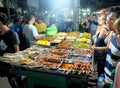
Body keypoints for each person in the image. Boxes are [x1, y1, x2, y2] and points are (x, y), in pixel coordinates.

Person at [0, 13, 22, 88]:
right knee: (10, 82)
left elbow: (17, 52)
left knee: (16, 83)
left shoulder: (13, 34)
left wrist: (15, 67)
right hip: (3, 64)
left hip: (12, 64)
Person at [104, 6, 120, 86]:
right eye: (108, 19)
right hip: (106, 78)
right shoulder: (113, 34)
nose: (108, 22)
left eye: (111, 19)